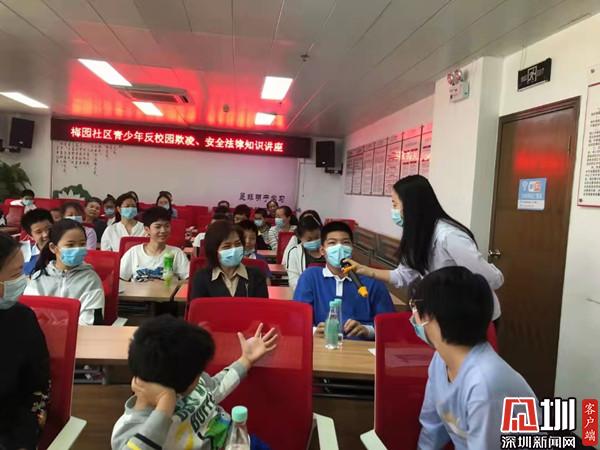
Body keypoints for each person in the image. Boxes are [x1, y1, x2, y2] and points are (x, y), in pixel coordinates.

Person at [345, 175, 504, 321]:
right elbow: (403, 276)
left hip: (476, 316)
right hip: (446, 314)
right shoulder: (417, 235)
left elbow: (490, 278)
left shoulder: (450, 236)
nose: (393, 210)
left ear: (411, 206)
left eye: (395, 204)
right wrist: (365, 270)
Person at [411, 267, 536, 449]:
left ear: (431, 317)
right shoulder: (440, 360)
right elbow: (432, 428)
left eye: (414, 308)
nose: (412, 316)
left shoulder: (485, 384)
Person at [111, 315, 277, 450]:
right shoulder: (128, 429)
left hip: (238, 441)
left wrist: (246, 360)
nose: (202, 376)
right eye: (198, 374)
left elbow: (217, 386)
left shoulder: (186, 382)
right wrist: (165, 404)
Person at [293, 221, 394, 340]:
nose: (339, 247)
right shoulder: (310, 277)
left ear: (352, 249)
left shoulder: (372, 281)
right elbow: (297, 320)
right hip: (322, 346)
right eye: (332, 243)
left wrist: (367, 330)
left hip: (361, 348)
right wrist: (314, 331)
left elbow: (390, 326)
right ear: (322, 250)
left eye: (345, 243)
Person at [0, 232, 50, 450]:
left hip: (10, 425)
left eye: (22, 271)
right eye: (15, 274)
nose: (22, 280)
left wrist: (33, 421)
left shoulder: (21, 319)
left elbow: (38, 382)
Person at [25, 219, 105, 325]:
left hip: (79, 334)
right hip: (42, 334)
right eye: (70, 245)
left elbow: (89, 322)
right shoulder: (39, 278)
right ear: (53, 248)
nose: (77, 249)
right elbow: (30, 317)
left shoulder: (91, 279)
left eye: (82, 244)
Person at [190, 221, 268, 299]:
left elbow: (261, 305)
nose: (234, 250)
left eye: (238, 244)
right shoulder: (202, 277)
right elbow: (197, 306)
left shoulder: (256, 275)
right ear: (214, 250)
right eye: (227, 246)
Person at [120, 207, 189, 282]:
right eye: (158, 227)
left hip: (167, 290)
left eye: (167, 226)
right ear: (147, 230)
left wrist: (173, 284)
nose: (163, 230)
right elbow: (120, 280)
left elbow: (188, 280)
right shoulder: (134, 252)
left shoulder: (176, 253)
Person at [285, 215, 324, 290]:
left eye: (317, 237)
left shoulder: (328, 250)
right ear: (300, 237)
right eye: (309, 240)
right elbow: (293, 281)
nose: (314, 241)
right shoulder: (294, 252)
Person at [20, 209, 53, 275]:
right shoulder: (24, 256)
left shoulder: (65, 250)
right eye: (38, 232)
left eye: (49, 229)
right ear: (30, 236)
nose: (45, 234)